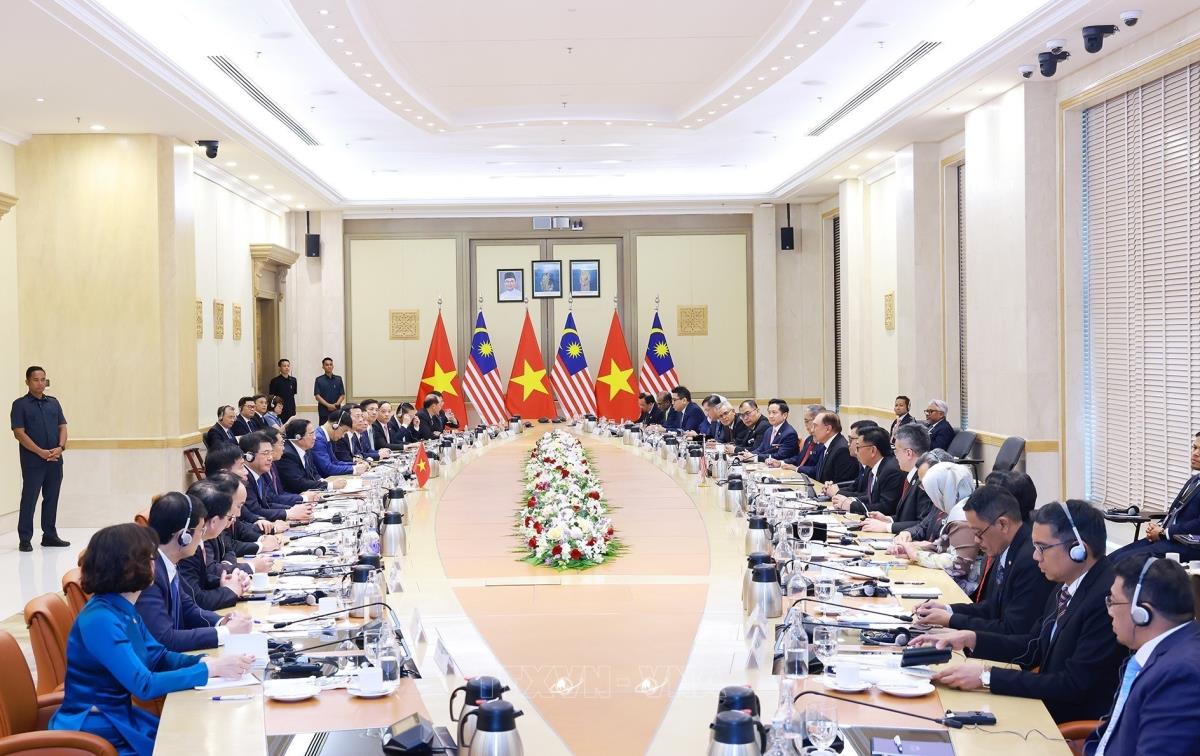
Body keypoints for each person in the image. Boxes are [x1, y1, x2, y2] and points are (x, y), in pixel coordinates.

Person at [48, 523, 253, 756]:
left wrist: (204, 662)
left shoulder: (122, 607)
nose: (155, 563)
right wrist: (209, 670)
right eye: (150, 557)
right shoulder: (101, 620)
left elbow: (158, 656)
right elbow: (144, 685)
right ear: (129, 567)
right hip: (96, 727)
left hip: (118, 717)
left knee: (193, 737)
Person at [914, 499, 1125, 724]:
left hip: (1065, 722)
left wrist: (987, 677)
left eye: (1042, 548)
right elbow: (1033, 645)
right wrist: (970, 639)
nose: (1035, 556)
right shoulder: (1066, 584)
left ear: (1078, 549)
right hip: (1043, 705)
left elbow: (1072, 685)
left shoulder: (1107, 600)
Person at [1084, 555, 1200, 755]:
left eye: (1113, 601)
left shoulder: (1180, 675)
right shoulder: (1171, 649)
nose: (1109, 611)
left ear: (1142, 613)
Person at [913, 484, 1054, 634]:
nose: (976, 540)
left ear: (1002, 524)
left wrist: (951, 620)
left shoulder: (1030, 560)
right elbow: (992, 607)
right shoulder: (1005, 547)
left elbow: (1012, 630)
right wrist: (947, 610)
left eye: (979, 532)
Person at [135, 492, 253, 652]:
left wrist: (222, 622)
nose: (202, 538)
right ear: (184, 537)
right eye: (201, 530)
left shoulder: (166, 562)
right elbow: (164, 639)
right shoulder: (149, 573)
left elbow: (188, 609)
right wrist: (226, 632)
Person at [889, 462, 981, 592]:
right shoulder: (955, 508)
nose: (932, 499)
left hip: (961, 591)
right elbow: (944, 547)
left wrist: (917, 555)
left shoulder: (963, 516)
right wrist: (912, 548)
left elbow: (959, 565)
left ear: (943, 491)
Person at [1109, 432, 1200, 562]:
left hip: (1187, 546)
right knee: (1111, 559)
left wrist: (1164, 532)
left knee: (1122, 561)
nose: (1195, 453)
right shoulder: (1195, 480)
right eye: (1194, 447)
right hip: (1167, 538)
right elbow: (1177, 511)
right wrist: (1160, 526)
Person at [11, 366, 70, 552]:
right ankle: (25, 538)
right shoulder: (20, 405)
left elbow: (62, 426)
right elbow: (19, 433)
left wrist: (60, 447)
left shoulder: (53, 403)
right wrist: (40, 452)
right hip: (33, 462)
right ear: (27, 382)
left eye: (43, 379)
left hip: (55, 460)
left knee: (51, 497)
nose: (40, 383)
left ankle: (49, 535)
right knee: (29, 499)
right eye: (36, 380)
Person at [175, 480, 249, 611]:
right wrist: (230, 591)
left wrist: (228, 582)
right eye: (229, 517)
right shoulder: (186, 548)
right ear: (214, 521)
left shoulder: (198, 542)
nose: (232, 521)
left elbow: (201, 581)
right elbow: (196, 600)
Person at [861, 423, 934, 534]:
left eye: (896, 450)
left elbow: (924, 524)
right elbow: (907, 517)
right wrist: (888, 519)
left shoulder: (925, 480)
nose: (894, 455)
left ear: (908, 453)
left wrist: (887, 527)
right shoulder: (910, 476)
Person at [830, 426, 904, 517]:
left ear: (873, 450)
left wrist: (852, 506)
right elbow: (871, 498)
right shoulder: (872, 466)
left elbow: (886, 508)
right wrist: (850, 500)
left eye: (858, 447)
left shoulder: (891, 471)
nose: (856, 452)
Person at [241, 432, 314, 522]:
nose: (270, 458)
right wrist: (288, 513)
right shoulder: (244, 478)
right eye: (265, 453)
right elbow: (255, 511)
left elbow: (267, 504)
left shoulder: (257, 474)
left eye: (270, 453)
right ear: (249, 456)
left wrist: (293, 509)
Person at [798, 411, 860, 485]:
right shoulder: (826, 445)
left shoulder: (842, 450)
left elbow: (841, 484)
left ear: (828, 429)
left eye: (815, 426)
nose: (812, 430)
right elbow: (818, 472)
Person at [741, 399, 799, 464]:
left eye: (774, 412)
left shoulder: (790, 433)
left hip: (783, 467)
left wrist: (755, 457)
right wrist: (748, 455)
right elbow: (761, 449)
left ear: (784, 415)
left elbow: (780, 456)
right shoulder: (769, 430)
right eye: (769, 412)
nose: (770, 416)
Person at [313, 409, 365, 477]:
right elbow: (328, 468)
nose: (343, 436)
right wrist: (354, 469)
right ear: (335, 426)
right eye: (344, 431)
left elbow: (335, 462)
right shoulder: (318, 439)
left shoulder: (326, 437)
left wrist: (356, 464)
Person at [313, 357, 346, 424]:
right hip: (324, 410)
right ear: (323, 367)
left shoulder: (338, 379)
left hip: (336, 410)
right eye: (327, 365)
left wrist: (336, 404)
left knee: (337, 427)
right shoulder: (319, 380)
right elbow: (317, 396)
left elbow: (342, 395)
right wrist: (328, 405)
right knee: (324, 428)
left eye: (331, 364)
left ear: (333, 366)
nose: (329, 366)